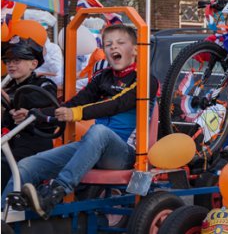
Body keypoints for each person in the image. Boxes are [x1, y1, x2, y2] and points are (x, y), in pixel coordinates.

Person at [4, 24, 159, 219]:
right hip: (93, 147)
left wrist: (75, 113)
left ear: (135, 49)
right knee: (27, 165)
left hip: (127, 154)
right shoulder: (102, 77)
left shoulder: (145, 79)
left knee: (99, 131)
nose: (113, 48)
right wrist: (35, 113)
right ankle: (5, 216)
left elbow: (116, 104)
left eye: (120, 43)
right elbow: (74, 103)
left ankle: (54, 193)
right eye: (108, 44)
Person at [1, 37, 59, 191]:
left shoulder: (44, 85)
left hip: (34, 144)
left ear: (33, 64)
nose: (11, 65)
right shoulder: (8, 86)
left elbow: (43, 103)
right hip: (9, 142)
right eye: (8, 61)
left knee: (3, 163)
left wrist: (12, 102)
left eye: (17, 60)